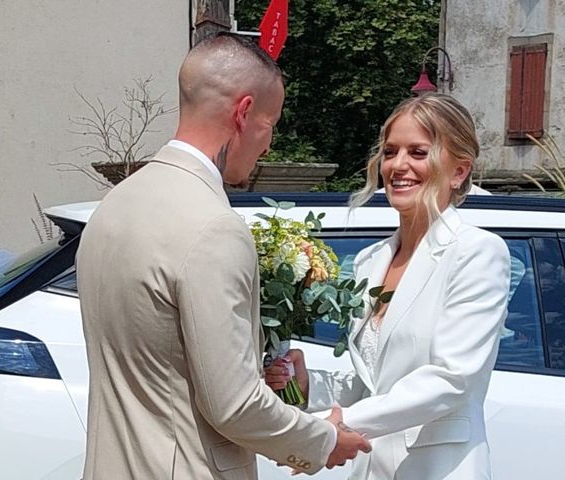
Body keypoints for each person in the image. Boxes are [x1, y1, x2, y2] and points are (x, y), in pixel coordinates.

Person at [76, 32, 369, 480]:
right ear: (244, 112)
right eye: (270, 125)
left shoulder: (112, 207)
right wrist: (322, 440)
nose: (268, 145)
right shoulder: (213, 227)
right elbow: (234, 405)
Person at [265, 93, 511, 479]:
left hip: (438, 468)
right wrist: (311, 384)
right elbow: (375, 383)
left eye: (418, 152)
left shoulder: (476, 253)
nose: (398, 165)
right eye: (391, 151)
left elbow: (452, 379)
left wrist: (339, 422)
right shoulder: (369, 260)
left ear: (459, 171)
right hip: (370, 469)